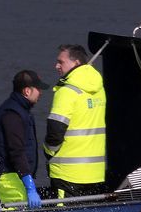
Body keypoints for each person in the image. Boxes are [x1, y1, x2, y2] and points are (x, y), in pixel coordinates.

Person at [44, 44, 107, 198]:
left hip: (67, 173)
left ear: (76, 63)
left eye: (61, 62)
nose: (56, 66)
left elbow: (55, 131)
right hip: (94, 173)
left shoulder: (67, 91)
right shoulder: (99, 89)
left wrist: (48, 152)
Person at [0, 70, 49, 208]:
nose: (41, 92)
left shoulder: (21, 110)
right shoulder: (12, 113)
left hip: (16, 176)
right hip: (8, 178)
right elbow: (16, 151)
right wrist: (29, 185)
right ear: (27, 91)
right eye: (38, 89)